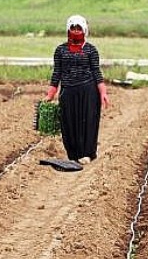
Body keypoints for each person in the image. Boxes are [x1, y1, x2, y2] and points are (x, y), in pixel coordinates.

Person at [45, 15, 109, 164]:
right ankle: (73, 155)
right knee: (68, 122)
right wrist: (51, 94)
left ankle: (87, 153)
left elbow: (96, 72)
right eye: (72, 28)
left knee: (88, 122)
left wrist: (103, 92)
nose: (75, 31)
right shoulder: (60, 50)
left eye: (78, 28)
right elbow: (57, 73)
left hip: (88, 91)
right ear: (68, 29)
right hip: (68, 91)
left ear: (84, 30)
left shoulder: (91, 50)